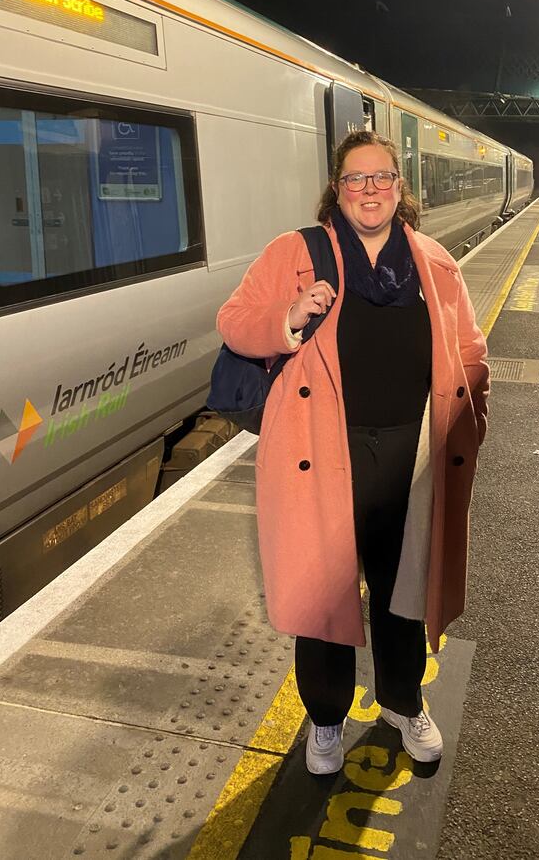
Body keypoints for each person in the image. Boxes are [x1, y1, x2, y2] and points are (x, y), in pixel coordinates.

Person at [216, 130, 489, 775]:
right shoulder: (296, 253)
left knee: (404, 588)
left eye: (382, 178)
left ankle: (402, 701)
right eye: (356, 179)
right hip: (319, 453)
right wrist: (286, 315)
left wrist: (469, 420)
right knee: (324, 597)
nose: (370, 190)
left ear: (401, 188)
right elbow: (234, 319)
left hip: (411, 454)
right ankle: (326, 719)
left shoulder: (433, 262)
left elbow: (470, 349)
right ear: (336, 189)